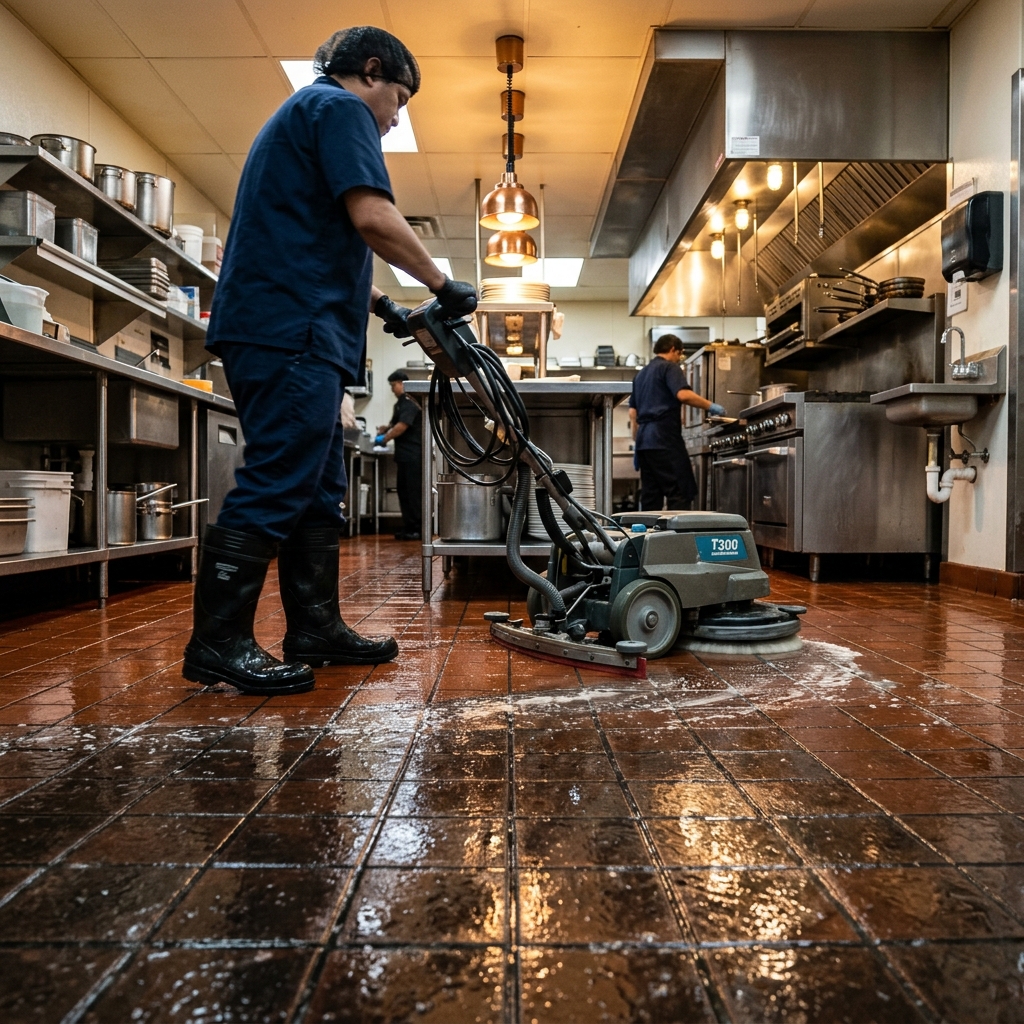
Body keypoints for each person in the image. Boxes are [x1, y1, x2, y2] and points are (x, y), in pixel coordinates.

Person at [183, 26, 476, 697]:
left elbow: (319, 235)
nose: (396, 116)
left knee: (316, 489)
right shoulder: (340, 109)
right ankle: (218, 642)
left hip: (291, 325)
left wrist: (383, 307)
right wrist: (441, 283)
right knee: (281, 478)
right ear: (371, 71)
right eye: (398, 98)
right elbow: (372, 216)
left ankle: (314, 627)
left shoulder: (304, 117)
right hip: (291, 330)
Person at [628, 334, 725, 512]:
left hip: (644, 443)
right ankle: (678, 539)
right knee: (680, 491)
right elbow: (683, 394)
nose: (679, 359)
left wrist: (638, 441)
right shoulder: (669, 367)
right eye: (680, 354)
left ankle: (649, 537)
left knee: (651, 497)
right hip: (664, 439)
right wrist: (711, 406)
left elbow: (632, 413)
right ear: (673, 349)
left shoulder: (640, 375)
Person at [375, 370, 422, 540]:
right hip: (404, 456)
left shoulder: (409, 402)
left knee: (413, 493)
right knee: (404, 492)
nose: (392, 389)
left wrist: (385, 438)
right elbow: (395, 423)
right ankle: (409, 527)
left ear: (402, 383)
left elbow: (402, 425)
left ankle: (417, 529)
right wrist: (385, 429)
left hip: (413, 455)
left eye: (393, 385)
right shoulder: (400, 404)